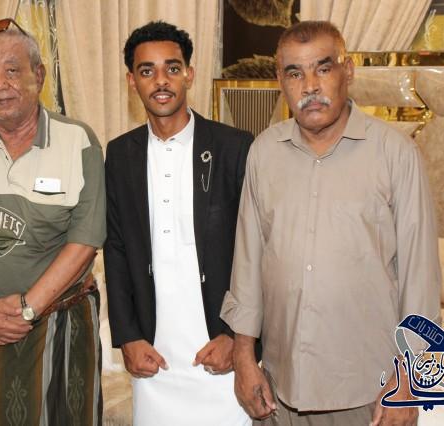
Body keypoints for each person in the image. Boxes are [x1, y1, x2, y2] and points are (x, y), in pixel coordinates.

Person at [221, 21, 441, 426]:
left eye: (323, 68)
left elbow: (420, 278)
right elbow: (248, 265)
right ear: (280, 81)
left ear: (348, 71)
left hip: (368, 393)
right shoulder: (264, 152)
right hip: (278, 389)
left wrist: (411, 378)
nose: (310, 86)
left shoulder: (395, 154)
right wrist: (244, 358)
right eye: (295, 73)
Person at [0, 19, 105, 425]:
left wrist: (29, 309)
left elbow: (86, 239)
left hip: (62, 322)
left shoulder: (78, 141)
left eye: (12, 70)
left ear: (39, 76)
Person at [104, 21, 254, 426]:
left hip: (220, 347)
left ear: (189, 73)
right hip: (155, 354)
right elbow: (115, 248)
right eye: (147, 71)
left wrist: (238, 338)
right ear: (132, 81)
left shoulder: (234, 147)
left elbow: (257, 251)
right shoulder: (119, 155)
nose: (161, 81)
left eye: (172, 68)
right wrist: (128, 336)